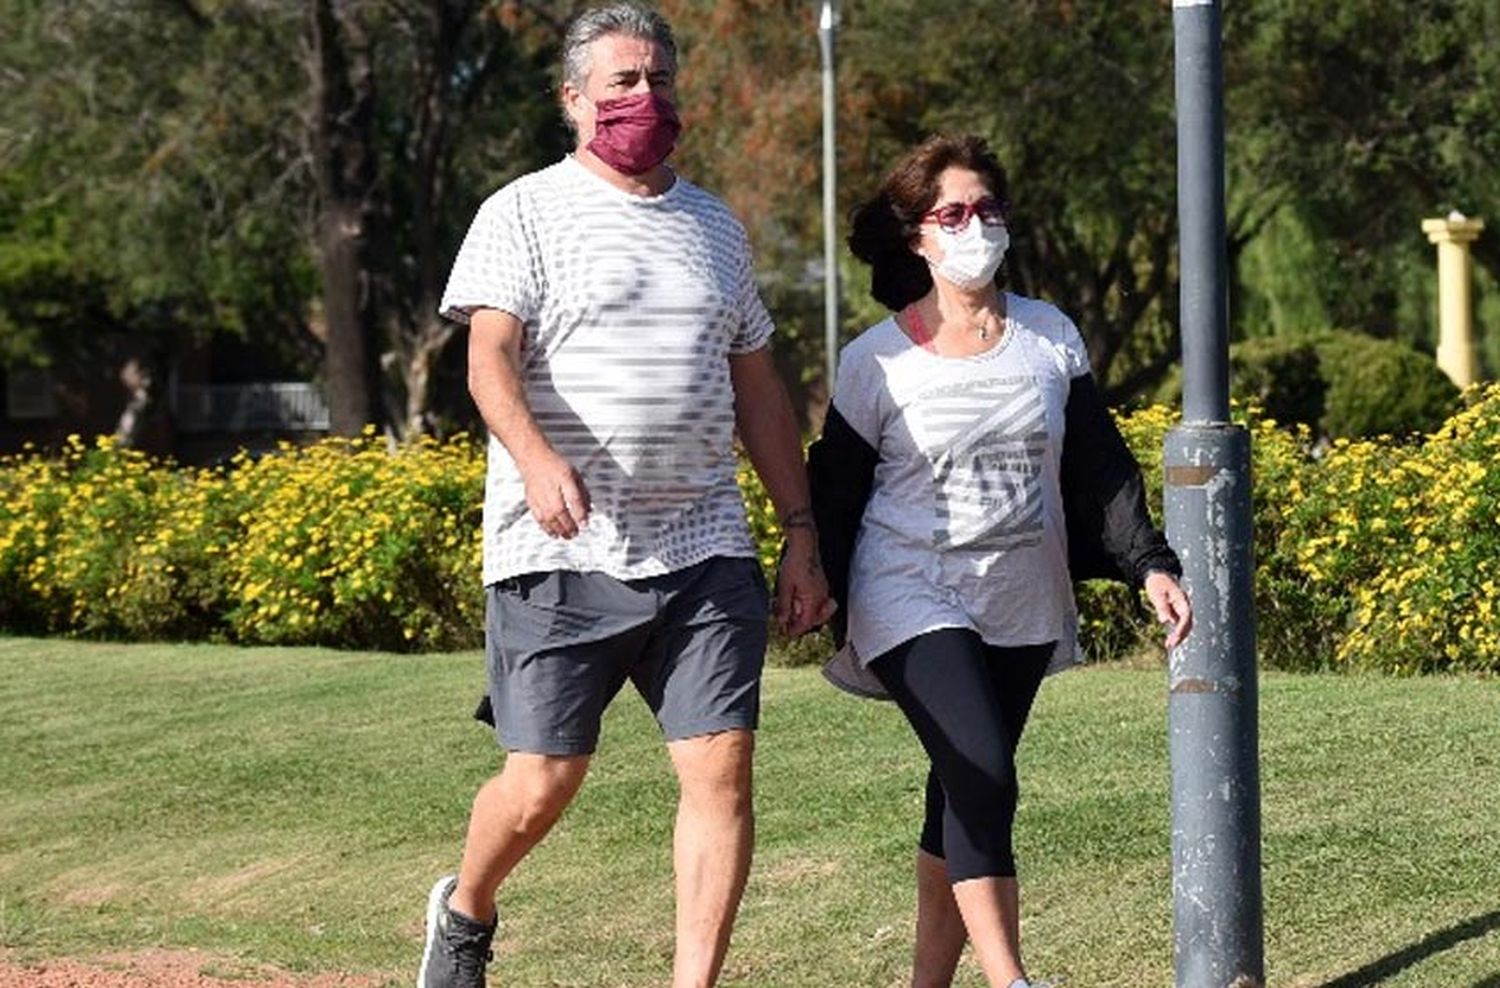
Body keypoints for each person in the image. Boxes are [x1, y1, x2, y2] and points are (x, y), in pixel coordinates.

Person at [419, 4, 834, 987]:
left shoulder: (716, 229)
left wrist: (801, 528)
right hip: (558, 549)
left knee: (720, 769)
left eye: (658, 80)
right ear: (574, 101)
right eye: (622, 83)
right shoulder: (521, 212)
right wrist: (534, 459)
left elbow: (759, 389)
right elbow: (488, 360)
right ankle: (466, 909)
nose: (645, 98)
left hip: (703, 547)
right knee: (544, 781)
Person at [808, 134, 1192, 988]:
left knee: (962, 788)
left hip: (1021, 594)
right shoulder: (876, 360)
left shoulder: (1049, 336)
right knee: (982, 769)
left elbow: (1099, 463)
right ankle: (1011, 979)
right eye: (952, 213)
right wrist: (810, 577)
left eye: (986, 209)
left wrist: (1149, 564)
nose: (973, 225)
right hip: (909, 589)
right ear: (918, 236)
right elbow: (833, 489)